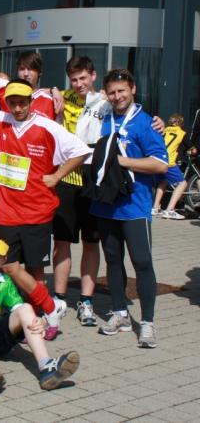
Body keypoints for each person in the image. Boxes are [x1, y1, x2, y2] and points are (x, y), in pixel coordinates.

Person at [0, 79, 90, 341]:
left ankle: (37, 319)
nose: (17, 107)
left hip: (37, 210)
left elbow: (81, 151)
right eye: (12, 102)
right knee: (8, 267)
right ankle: (49, 307)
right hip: (7, 212)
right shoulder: (0, 120)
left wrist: (57, 176)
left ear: (30, 101)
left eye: (22, 102)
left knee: (35, 270)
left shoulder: (47, 126)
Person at [91, 68, 168, 348]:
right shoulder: (102, 119)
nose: (117, 96)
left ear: (133, 89)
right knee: (112, 260)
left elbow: (160, 164)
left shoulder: (146, 123)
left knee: (142, 262)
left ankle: (147, 323)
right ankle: (121, 313)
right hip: (105, 205)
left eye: (121, 91)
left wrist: (121, 161)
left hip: (135, 206)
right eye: (112, 92)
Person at [0, 233, 80, 394]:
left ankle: (45, 366)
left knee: (26, 308)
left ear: (4, 259)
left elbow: (20, 310)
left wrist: (39, 321)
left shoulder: (5, 281)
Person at [52, 56, 104, 326]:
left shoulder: (105, 101)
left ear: (93, 76)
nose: (79, 83)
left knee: (91, 242)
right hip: (66, 179)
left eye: (83, 78)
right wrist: (53, 90)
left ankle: (86, 301)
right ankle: (59, 299)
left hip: (93, 181)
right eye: (74, 79)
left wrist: (157, 121)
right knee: (61, 242)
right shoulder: (62, 97)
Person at [0, 51, 62, 120]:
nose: (26, 74)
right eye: (22, 69)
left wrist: (53, 89)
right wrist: (53, 89)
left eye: (30, 69)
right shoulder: (5, 90)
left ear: (39, 72)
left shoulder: (51, 101)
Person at [152, 113, 191, 220]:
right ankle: (170, 210)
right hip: (169, 162)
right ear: (181, 123)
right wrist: (192, 151)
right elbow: (190, 147)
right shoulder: (182, 133)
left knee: (163, 182)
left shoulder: (164, 130)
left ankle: (155, 208)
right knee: (183, 184)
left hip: (159, 160)